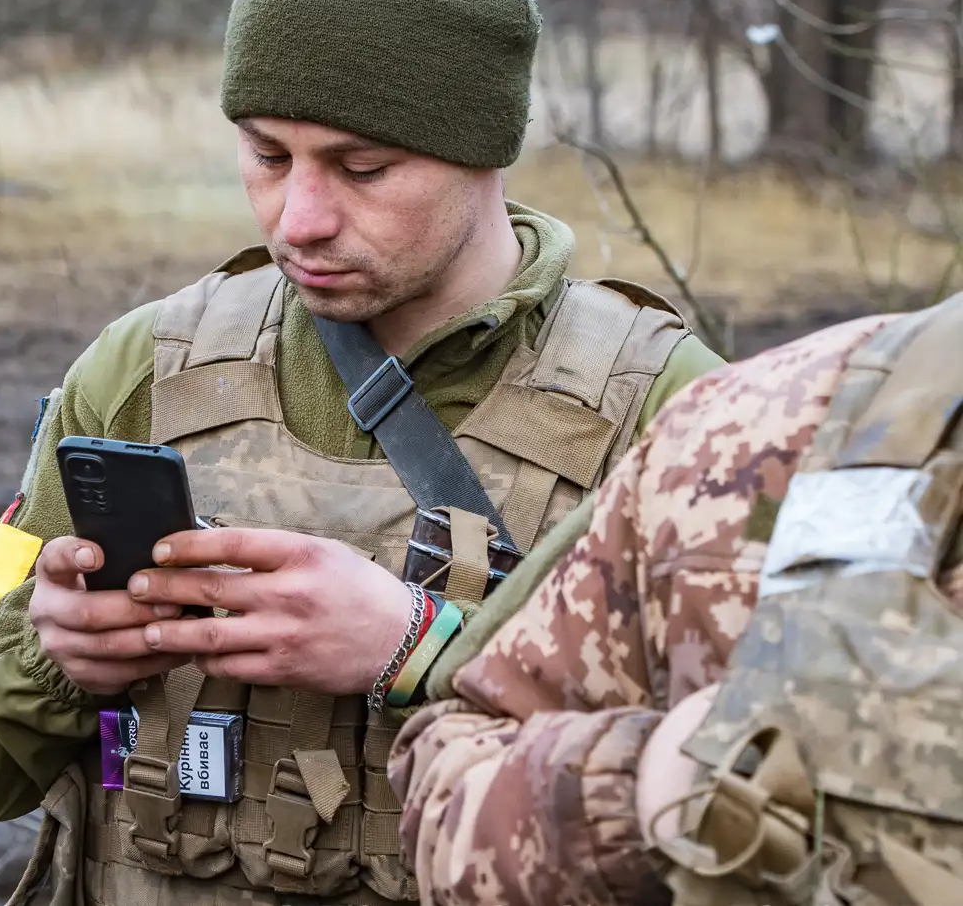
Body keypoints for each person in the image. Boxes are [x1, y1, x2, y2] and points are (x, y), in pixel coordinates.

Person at [0, 0, 724, 903]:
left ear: (483, 145)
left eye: (361, 165)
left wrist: (421, 645)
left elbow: (765, 777)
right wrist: (50, 647)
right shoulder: (140, 371)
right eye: (266, 154)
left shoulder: (671, 409)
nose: (300, 217)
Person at [387, 288, 963, 906]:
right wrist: (651, 780)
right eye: (272, 181)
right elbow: (456, 788)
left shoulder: (655, 371)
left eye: (366, 180)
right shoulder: (753, 432)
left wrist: (417, 642)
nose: (304, 224)